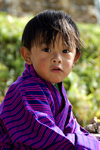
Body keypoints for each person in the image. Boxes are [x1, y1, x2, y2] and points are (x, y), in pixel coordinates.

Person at [0, 10, 100, 150]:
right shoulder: (28, 89)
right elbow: (49, 141)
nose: (57, 58)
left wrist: (91, 140)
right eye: (47, 49)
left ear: (75, 59)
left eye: (65, 51)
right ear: (27, 55)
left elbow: (71, 128)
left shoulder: (55, 88)